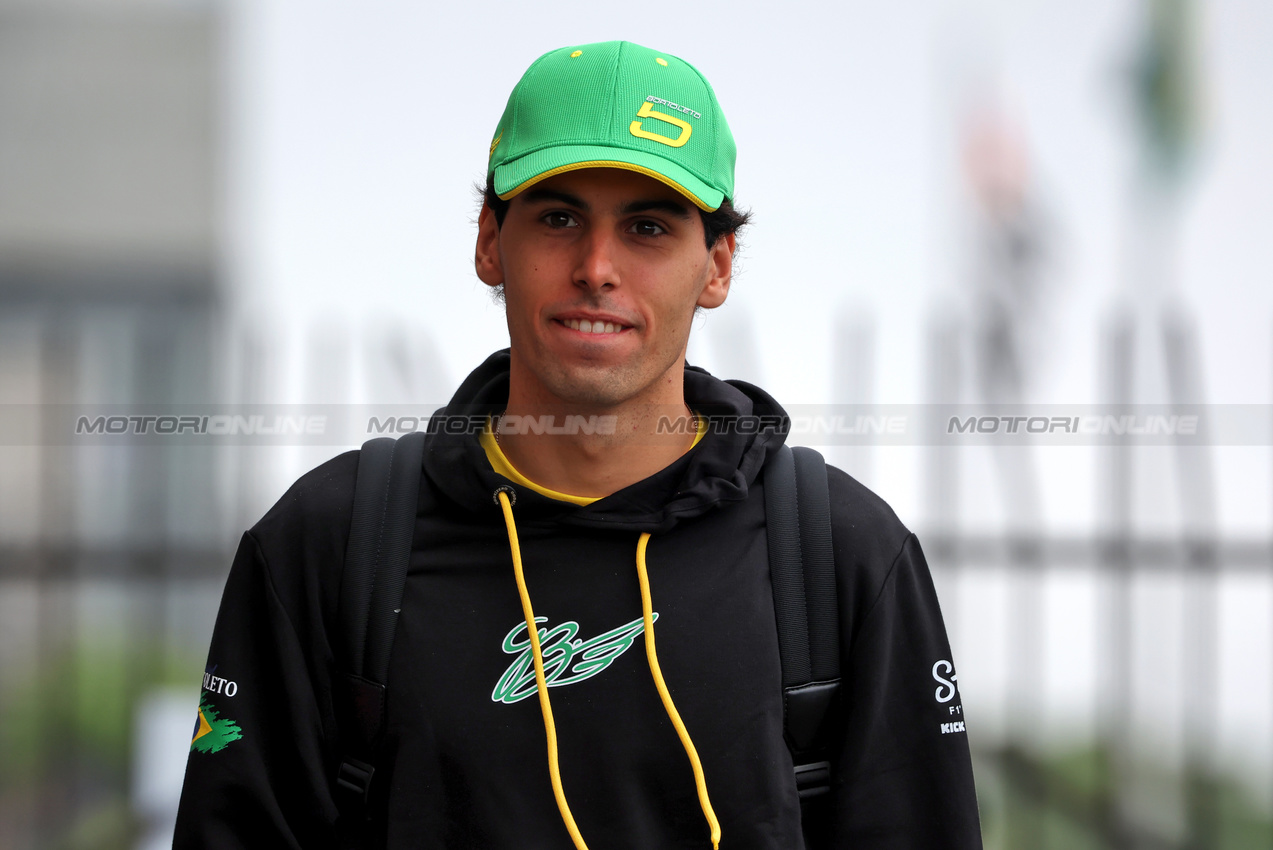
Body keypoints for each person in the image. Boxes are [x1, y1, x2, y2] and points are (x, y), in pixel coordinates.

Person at [174, 40, 982, 849]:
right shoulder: (333, 541)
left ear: (717, 266)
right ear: (490, 242)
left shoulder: (841, 554)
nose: (596, 268)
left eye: (647, 228)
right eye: (558, 218)